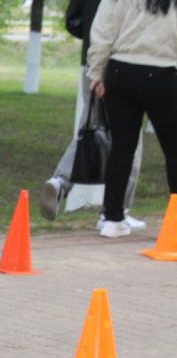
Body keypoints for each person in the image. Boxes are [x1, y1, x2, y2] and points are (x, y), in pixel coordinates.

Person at [39, 0, 146, 231]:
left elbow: (72, 20)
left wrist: (92, 34)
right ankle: (116, 212)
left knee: (91, 128)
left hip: (89, 60)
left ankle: (60, 182)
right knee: (129, 139)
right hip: (121, 61)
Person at [88, 0, 177, 237]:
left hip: (121, 72)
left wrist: (96, 71)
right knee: (173, 149)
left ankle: (112, 219)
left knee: (122, 149)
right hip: (164, 74)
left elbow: (103, 30)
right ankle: (175, 220)